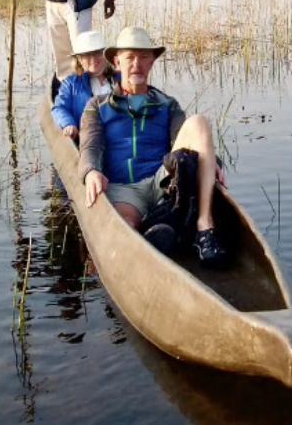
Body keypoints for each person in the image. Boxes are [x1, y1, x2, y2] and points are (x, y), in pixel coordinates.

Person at [77, 26, 229, 267]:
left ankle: (204, 228)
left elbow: (186, 139)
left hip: (162, 180)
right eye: (130, 58)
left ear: (151, 63)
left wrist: (211, 163)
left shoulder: (168, 104)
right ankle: (152, 232)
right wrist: (91, 171)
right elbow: (90, 146)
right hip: (124, 188)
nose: (137, 63)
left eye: (144, 57)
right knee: (126, 227)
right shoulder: (97, 105)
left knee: (199, 123)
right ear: (117, 62)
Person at [50, 30, 115, 139]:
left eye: (97, 53)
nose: (93, 59)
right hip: (87, 139)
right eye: (87, 55)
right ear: (79, 59)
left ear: (105, 55)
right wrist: (68, 123)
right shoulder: (71, 83)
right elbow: (59, 108)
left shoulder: (118, 79)